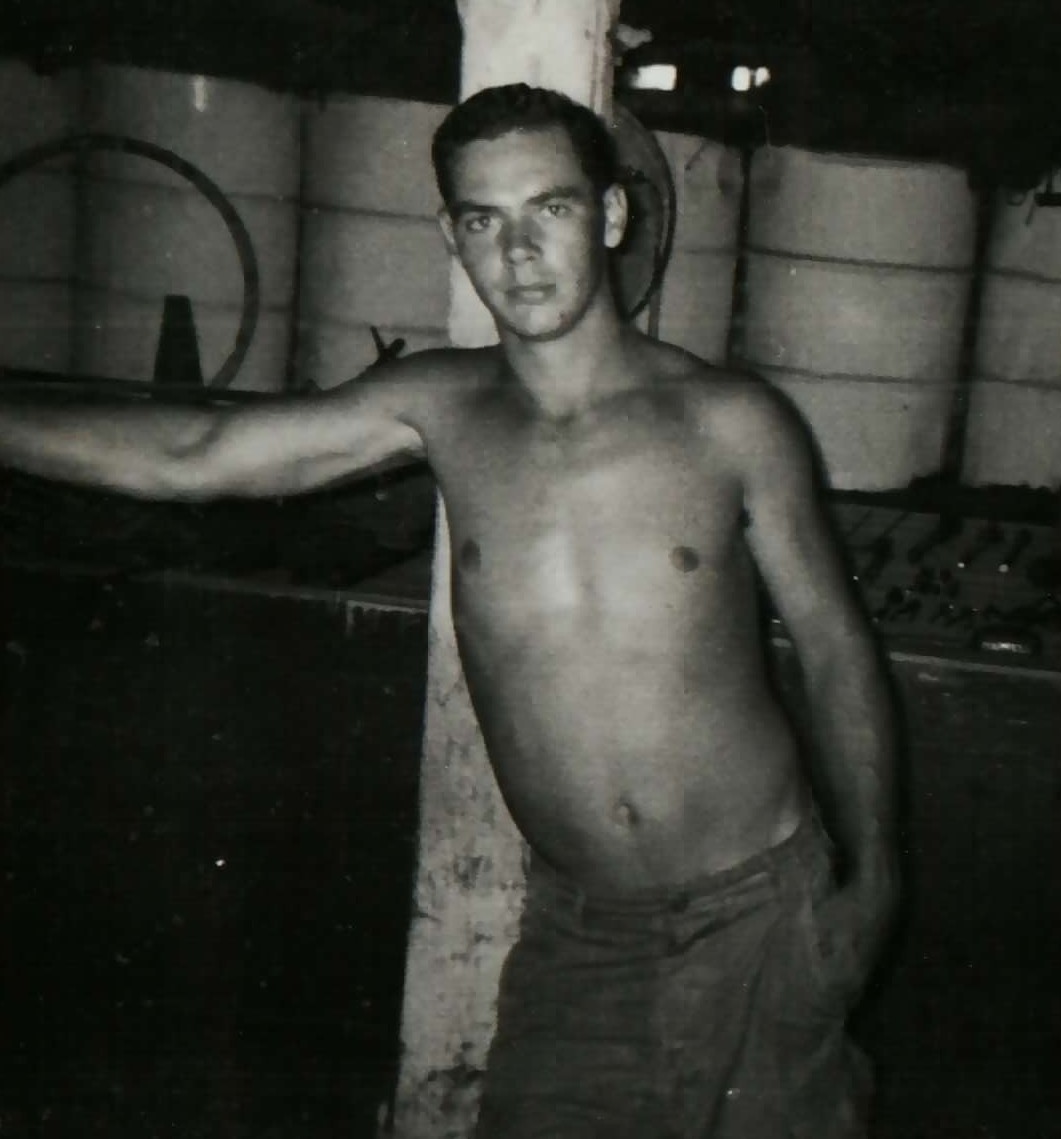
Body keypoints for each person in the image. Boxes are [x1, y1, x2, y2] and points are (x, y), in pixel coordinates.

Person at [0, 84, 899, 1137]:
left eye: (549, 208)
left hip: (756, 914)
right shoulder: (441, 405)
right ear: (449, 236)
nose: (518, 251)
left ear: (610, 214)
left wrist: (875, 876)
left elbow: (834, 650)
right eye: (483, 220)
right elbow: (196, 454)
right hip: (581, 934)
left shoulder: (729, 420)